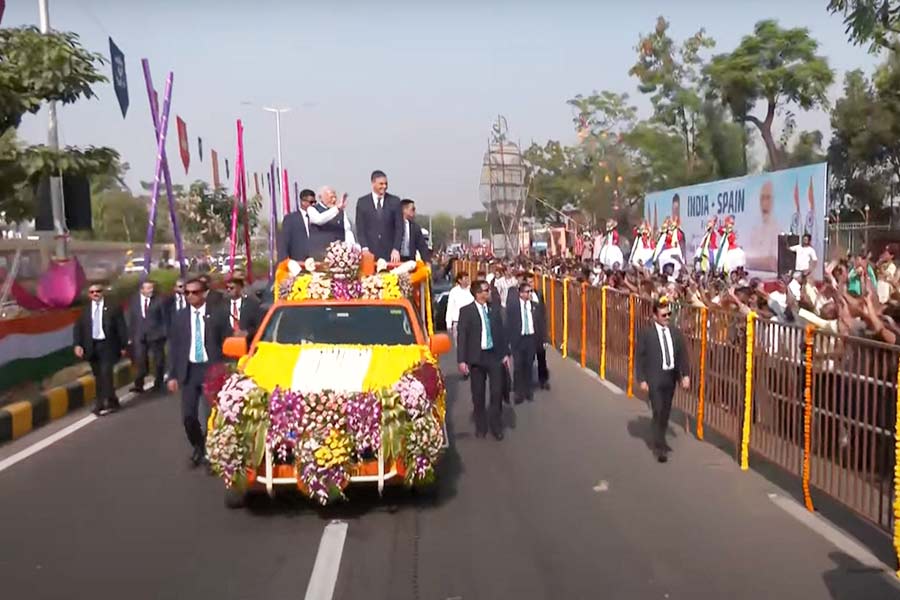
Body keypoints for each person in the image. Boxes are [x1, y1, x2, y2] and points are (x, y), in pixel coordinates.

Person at [166, 276, 231, 467]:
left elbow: (227, 343)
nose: (190, 296)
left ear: (204, 294)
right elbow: (175, 347)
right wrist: (172, 375)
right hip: (189, 370)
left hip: (211, 370)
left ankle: (212, 454)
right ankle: (198, 446)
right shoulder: (180, 317)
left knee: (212, 416)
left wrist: (228, 370)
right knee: (188, 417)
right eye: (186, 293)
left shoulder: (218, 314)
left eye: (194, 292)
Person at [635, 297, 690, 463]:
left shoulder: (675, 332)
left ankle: (660, 434)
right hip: (654, 377)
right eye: (663, 314)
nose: (667, 317)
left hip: (670, 377)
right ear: (655, 316)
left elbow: (682, 355)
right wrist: (642, 379)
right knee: (658, 409)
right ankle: (660, 447)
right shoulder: (647, 333)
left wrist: (685, 375)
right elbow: (640, 357)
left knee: (665, 411)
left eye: (669, 314)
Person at [457, 279, 511, 440]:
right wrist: (462, 360)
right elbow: (462, 337)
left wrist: (505, 354)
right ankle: (481, 426)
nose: (489, 293)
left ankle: (496, 426)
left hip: (494, 355)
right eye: (486, 290)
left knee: (496, 392)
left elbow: (501, 332)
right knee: (478, 395)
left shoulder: (494, 310)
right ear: (478, 294)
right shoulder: (466, 311)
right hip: (476, 357)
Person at [73, 283, 128, 416]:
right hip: (92, 347)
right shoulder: (86, 310)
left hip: (108, 346)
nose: (95, 294)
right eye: (92, 292)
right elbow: (79, 328)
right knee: (98, 376)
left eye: (98, 291)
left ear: (102, 292)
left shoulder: (113, 308)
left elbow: (121, 327)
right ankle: (112, 400)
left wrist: (123, 346)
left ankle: (101, 404)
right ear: (89, 295)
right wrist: (78, 345)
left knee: (106, 374)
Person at [505, 280, 547, 403]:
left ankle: (528, 391)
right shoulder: (513, 306)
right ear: (521, 293)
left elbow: (541, 324)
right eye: (527, 292)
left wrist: (543, 339)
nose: (529, 294)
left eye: (530, 291)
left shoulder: (535, 306)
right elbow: (509, 324)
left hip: (530, 339)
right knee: (518, 366)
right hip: (518, 340)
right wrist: (508, 341)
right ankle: (519, 392)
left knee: (528, 366)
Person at [355, 170, 403, 262]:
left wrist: (396, 249)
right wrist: (364, 248)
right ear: (373, 183)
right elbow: (360, 228)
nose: (384, 186)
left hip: (390, 254)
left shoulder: (394, 201)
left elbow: (399, 228)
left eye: (386, 184)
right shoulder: (362, 202)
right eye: (381, 184)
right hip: (370, 252)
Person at [128, 280, 165, 393]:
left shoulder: (159, 301)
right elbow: (132, 320)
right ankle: (139, 384)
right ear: (141, 290)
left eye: (152, 288)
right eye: (148, 288)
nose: (151, 290)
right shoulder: (134, 301)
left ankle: (159, 383)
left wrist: (164, 333)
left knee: (158, 361)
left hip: (156, 335)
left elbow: (165, 318)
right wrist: (130, 336)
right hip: (140, 336)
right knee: (141, 361)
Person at [308, 186, 355, 257]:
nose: (334, 200)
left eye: (335, 197)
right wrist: (336, 209)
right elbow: (319, 220)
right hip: (319, 255)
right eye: (331, 197)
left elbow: (347, 230)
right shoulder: (312, 209)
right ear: (321, 197)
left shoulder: (341, 212)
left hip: (339, 256)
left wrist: (351, 250)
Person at [745, 181, 782, 272]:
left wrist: (753, 262)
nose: (764, 202)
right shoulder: (755, 230)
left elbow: (773, 263)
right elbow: (746, 261)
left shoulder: (777, 230)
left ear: (773, 200)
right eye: (762, 198)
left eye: (768, 198)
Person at [277, 188, 315, 262]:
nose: (313, 205)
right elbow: (284, 243)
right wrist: (285, 263)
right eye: (311, 202)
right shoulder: (290, 219)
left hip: (315, 262)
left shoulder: (317, 219)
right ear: (303, 202)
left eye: (314, 202)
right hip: (297, 262)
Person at [445, 272, 474, 342]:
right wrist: (448, 323)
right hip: (458, 322)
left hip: (471, 322)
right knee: (460, 345)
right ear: (459, 280)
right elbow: (450, 308)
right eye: (465, 278)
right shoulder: (454, 291)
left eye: (468, 278)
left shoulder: (472, 290)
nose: (467, 280)